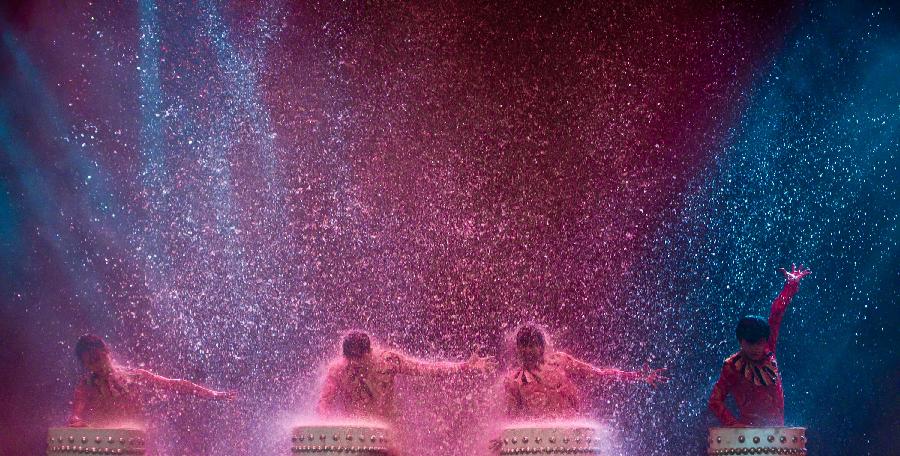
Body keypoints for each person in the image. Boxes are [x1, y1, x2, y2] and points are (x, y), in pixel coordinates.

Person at [708, 264, 811, 427]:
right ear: (741, 341)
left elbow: (776, 313)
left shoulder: (768, 349)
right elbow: (715, 401)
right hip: (748, 436)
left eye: (760, 343)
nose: (757, 348)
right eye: (751, 343)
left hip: (776, 431)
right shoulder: (732, 366)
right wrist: (734, 425)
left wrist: (790, 286)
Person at [316, 330, 496, 423]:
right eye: (350, 358)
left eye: (358, 357)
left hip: (385, 431)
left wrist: (463, 366)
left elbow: (426, 368)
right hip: (353, 435)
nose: (354, 363)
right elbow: (324, 402)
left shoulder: (388, 361)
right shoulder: (337, 370)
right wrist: (325, 426)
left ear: (369, 352)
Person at [502, 324, 667, 419]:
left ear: (541, 347)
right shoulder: (514, 381)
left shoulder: (559, 361)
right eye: (523, 346)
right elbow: (513, 419)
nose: (527, 350)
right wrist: (505, 440)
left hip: (572, 436)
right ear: (517, 348)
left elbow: (599, 373)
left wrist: (636, 376)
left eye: (532, 345)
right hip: (543, 443)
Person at [68, 334, 235, 427]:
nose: (96, 366)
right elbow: (75, 415)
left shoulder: (134, 376)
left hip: (132, 445)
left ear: (106, 351)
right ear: (85, 365)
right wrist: (76, 422)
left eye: (97, 358)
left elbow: (175, 384)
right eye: (89, 363)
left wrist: (213, 394)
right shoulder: (86, 386)